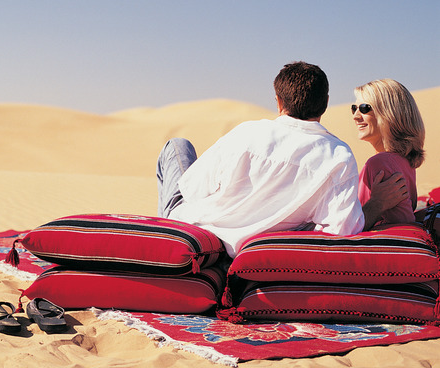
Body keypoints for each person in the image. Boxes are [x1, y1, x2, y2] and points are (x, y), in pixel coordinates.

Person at [157, 61, 406, 257]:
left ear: (278, 101)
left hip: (197, 233)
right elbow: (342, 230)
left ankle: (164, 238)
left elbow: (193, 190)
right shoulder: (338, 155)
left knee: (177, 147)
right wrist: (376, 205)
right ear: (326, 103)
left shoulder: (246, 132)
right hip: (249, 250)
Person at [353, 79, 425, 227]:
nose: (356, 116)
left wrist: (375, 205)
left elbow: (402, 227)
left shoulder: (381, 163)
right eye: (354, 108)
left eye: (365, 108)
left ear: (388, 113)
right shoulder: (401, 161)